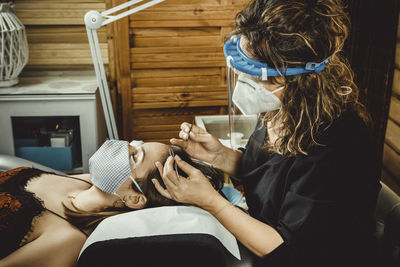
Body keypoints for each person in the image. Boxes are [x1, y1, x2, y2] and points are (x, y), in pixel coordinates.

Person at [153, 0, 381, 266]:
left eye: (255, 75)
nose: (244, 83)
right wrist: (220, 156)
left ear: (296, 77)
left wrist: (211, 202)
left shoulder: (338, 146)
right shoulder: (282, 109)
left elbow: (289, 250)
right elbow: (273, 177)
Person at [0, 140, 224, 267]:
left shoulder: (66, 240)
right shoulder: (83, 181)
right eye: (137, 143)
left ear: (134, 198)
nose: (126, 145)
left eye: (134, 156)